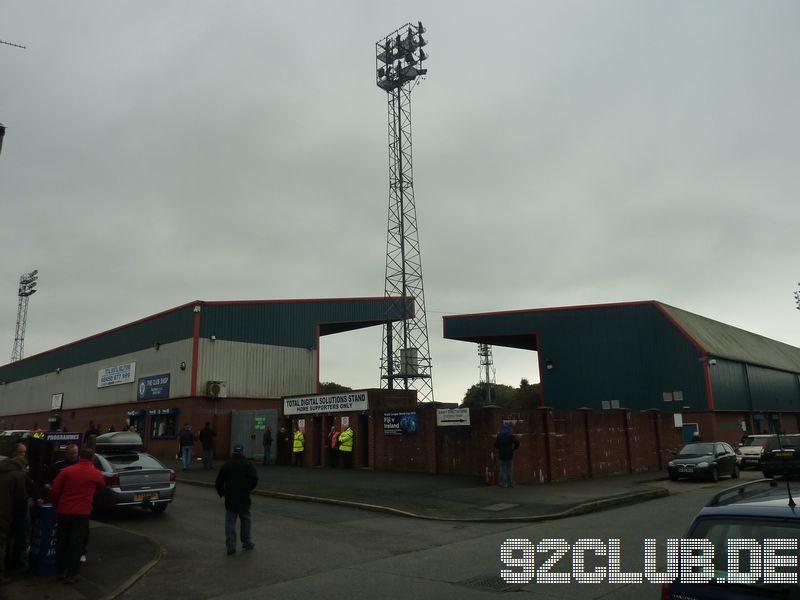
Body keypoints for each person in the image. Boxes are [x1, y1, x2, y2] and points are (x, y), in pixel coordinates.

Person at [50, 447, 105, 583]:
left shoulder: (67, 472)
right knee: (76, 543)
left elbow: (55, 490)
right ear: (92, 459)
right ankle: (73, 573)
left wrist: (56, 504)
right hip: (81, 513)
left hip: (64, 511)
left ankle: (61, 571)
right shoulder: (95, 473)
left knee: (62, 541)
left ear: (79, 457)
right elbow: (101, 486)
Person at [215, 444, 258, 556]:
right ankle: (246, 542)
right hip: (244, 497)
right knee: (245, 519)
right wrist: (248, 488)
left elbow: (219, 482)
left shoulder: (227, 465)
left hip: (230, 497)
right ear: (242, 452)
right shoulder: (247, 464)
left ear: (233, 452)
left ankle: (231, 546)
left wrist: (222, 493)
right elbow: (254, 478)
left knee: (230, 521)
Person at [0, 455, 28, 585]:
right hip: (3, 516)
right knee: (1, 546)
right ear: (22, 466)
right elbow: (20, 499)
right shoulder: (18, 475)